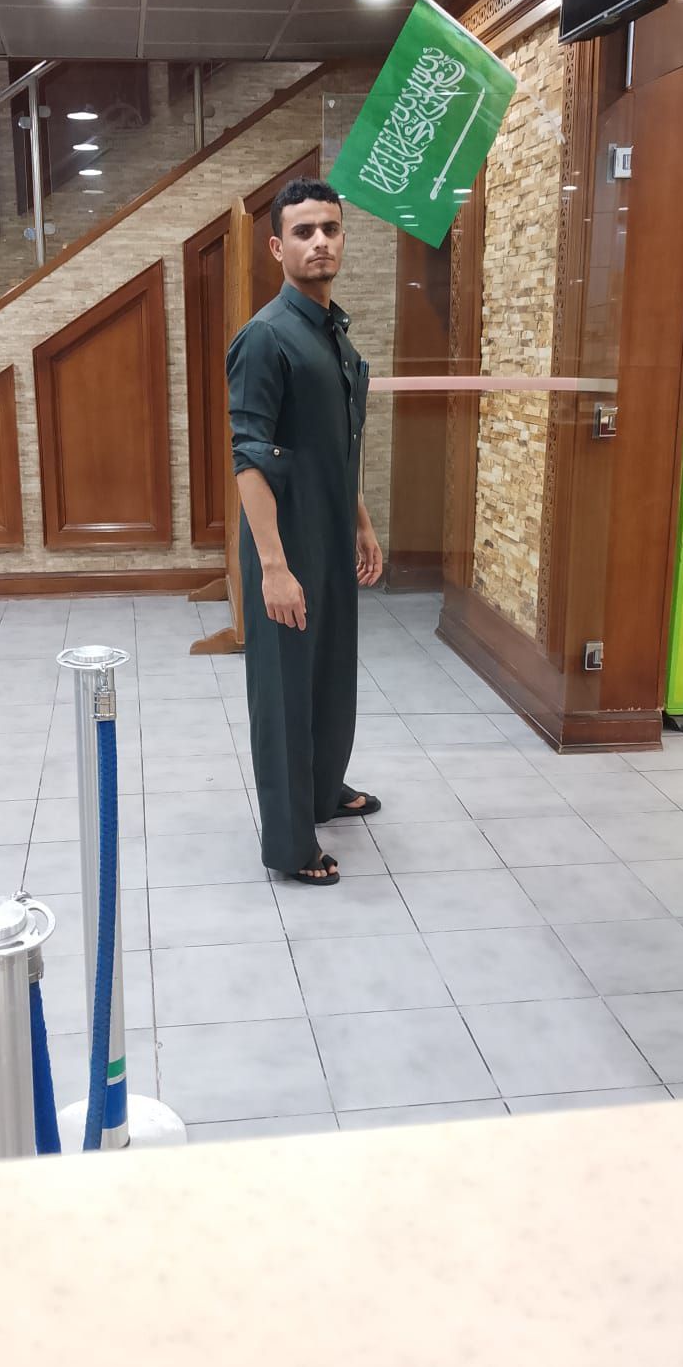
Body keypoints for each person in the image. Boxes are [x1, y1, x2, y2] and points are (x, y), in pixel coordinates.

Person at [227, 177, 384, 885]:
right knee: (286, 691)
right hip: (285, 542)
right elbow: (249, 457)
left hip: (331, 532)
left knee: (330, 672)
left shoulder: (334, 333)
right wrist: (273, 567)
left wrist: (362, 522)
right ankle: (292, 844)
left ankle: (324, 790)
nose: (320, 241)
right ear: (277, 247)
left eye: (330, 228)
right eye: (303, 231)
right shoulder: (265, 338)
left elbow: (335, 444)